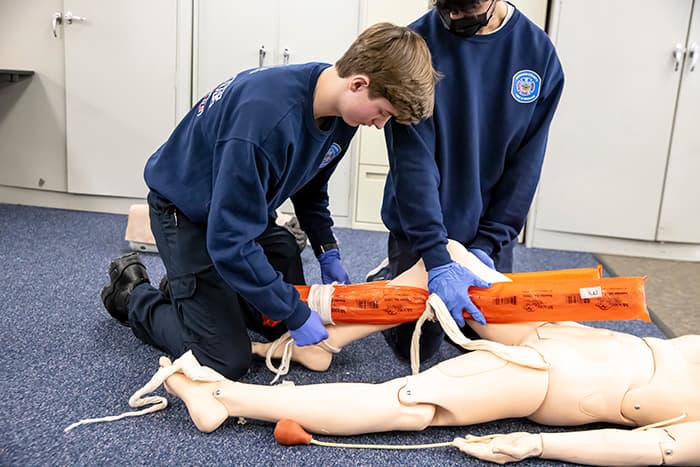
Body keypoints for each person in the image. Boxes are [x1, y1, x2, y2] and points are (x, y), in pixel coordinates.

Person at [99, 22, 438, 380]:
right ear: (358, 84)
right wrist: (294, 312)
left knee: (277, 320)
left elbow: (310, 186)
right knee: (223, 359)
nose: (381, 125)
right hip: (186, 213)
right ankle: (134, 295)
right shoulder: (266, 120)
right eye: (383, 113)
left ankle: (189, 290)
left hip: (239, 210)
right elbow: (229, 242)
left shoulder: (340, 112)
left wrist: (327, 249)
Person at [158, 242, 700, 466]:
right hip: (563, 333)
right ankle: (324, 343)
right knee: (451, 260)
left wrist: (538, 444)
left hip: (555, 378)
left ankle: (223, 397)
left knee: (406, 403)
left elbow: (662, 449)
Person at [373, 0, 565, 362]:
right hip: (421, 225)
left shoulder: (538, 55)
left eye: (467, 8)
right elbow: (414, 165)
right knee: (414, 349)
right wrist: (435, 256)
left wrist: (489, 242)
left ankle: (420, 271)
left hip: (487, 223)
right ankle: (391, 276)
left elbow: (525, 165)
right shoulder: (416, 46)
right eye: (448, 10)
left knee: (484, 350)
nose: (456, 19)